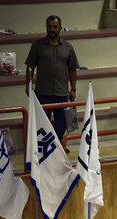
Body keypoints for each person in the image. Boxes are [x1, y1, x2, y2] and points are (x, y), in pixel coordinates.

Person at [25, 15, 79, 144]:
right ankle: (44, 150)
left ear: (60, 28)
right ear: (46, 27)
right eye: (49, 26)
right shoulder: (37, 46)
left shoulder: (68, 47)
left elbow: (72, 69)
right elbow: (30, 67)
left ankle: (57, 147)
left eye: (55, 27)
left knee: (61, 124)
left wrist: (73, 89)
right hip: (43, 93)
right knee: (42, 124)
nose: (52, 29)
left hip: (62, 93)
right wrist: (28, 85)